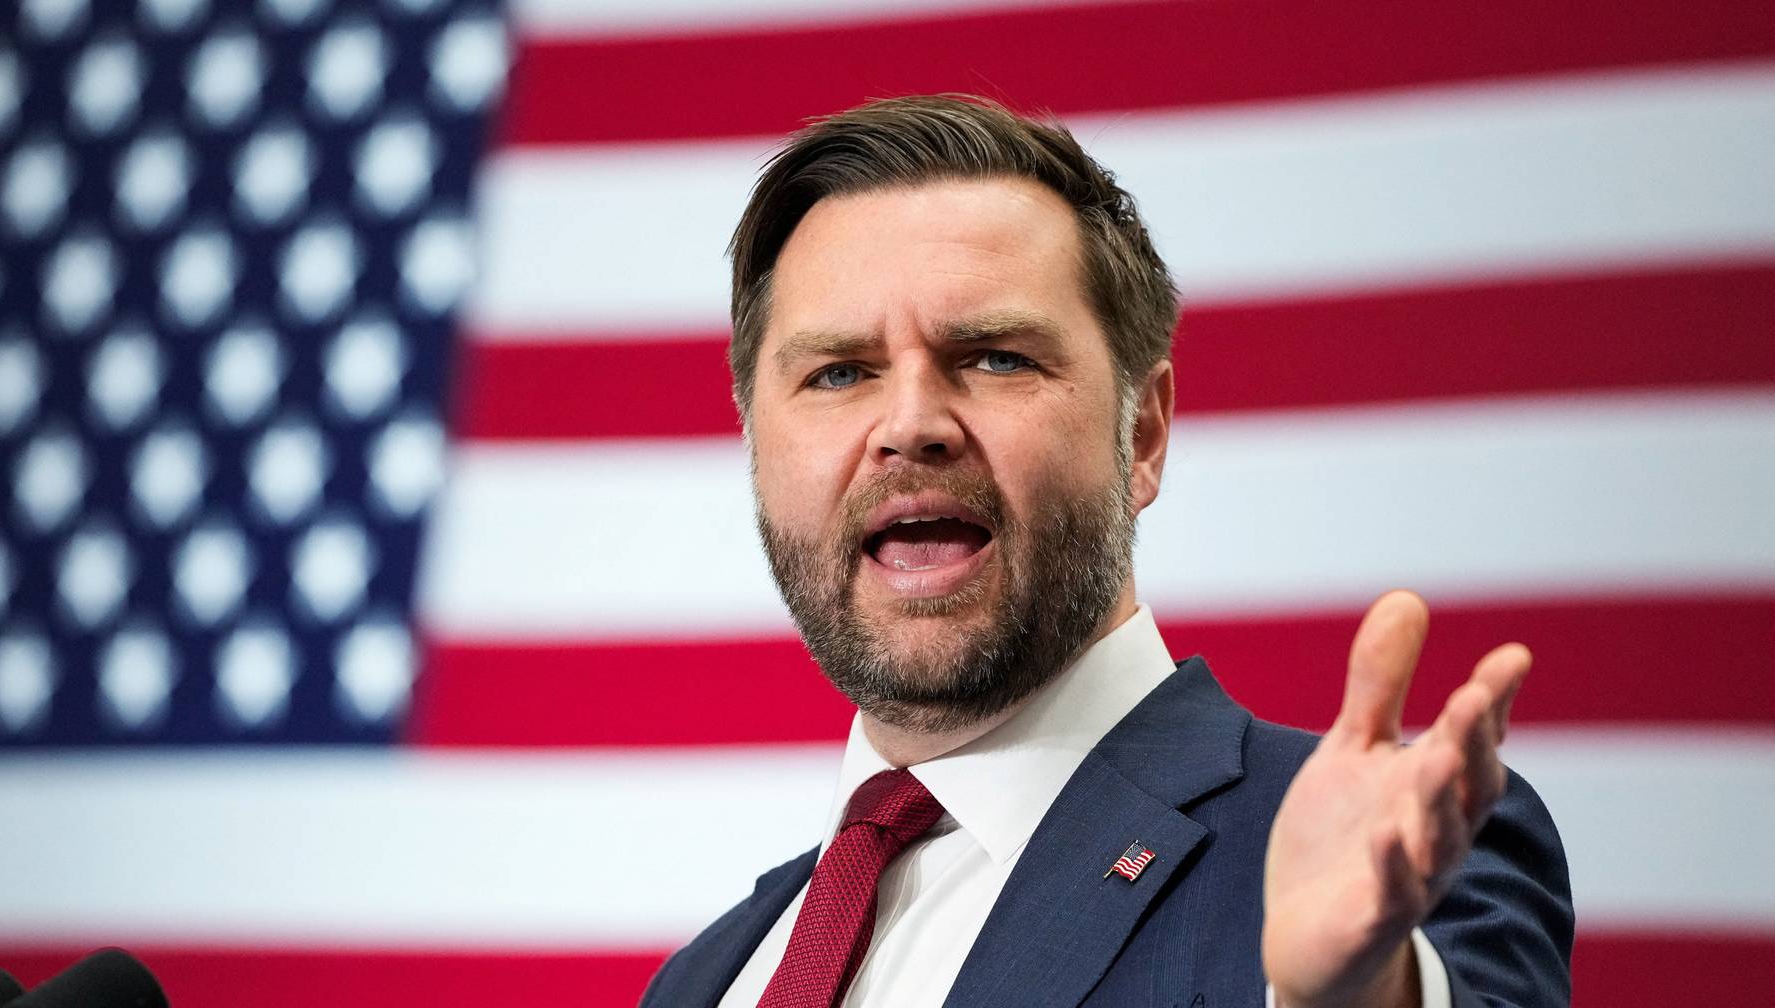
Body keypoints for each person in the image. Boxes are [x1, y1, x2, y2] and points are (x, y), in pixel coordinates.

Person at [639, 95, 1571, 1008]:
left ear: (1143, 435)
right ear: (756, 447)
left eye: (997, 357)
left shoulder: (1381, 855)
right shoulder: (706, 979)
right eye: (839, 372)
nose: (911, 424)